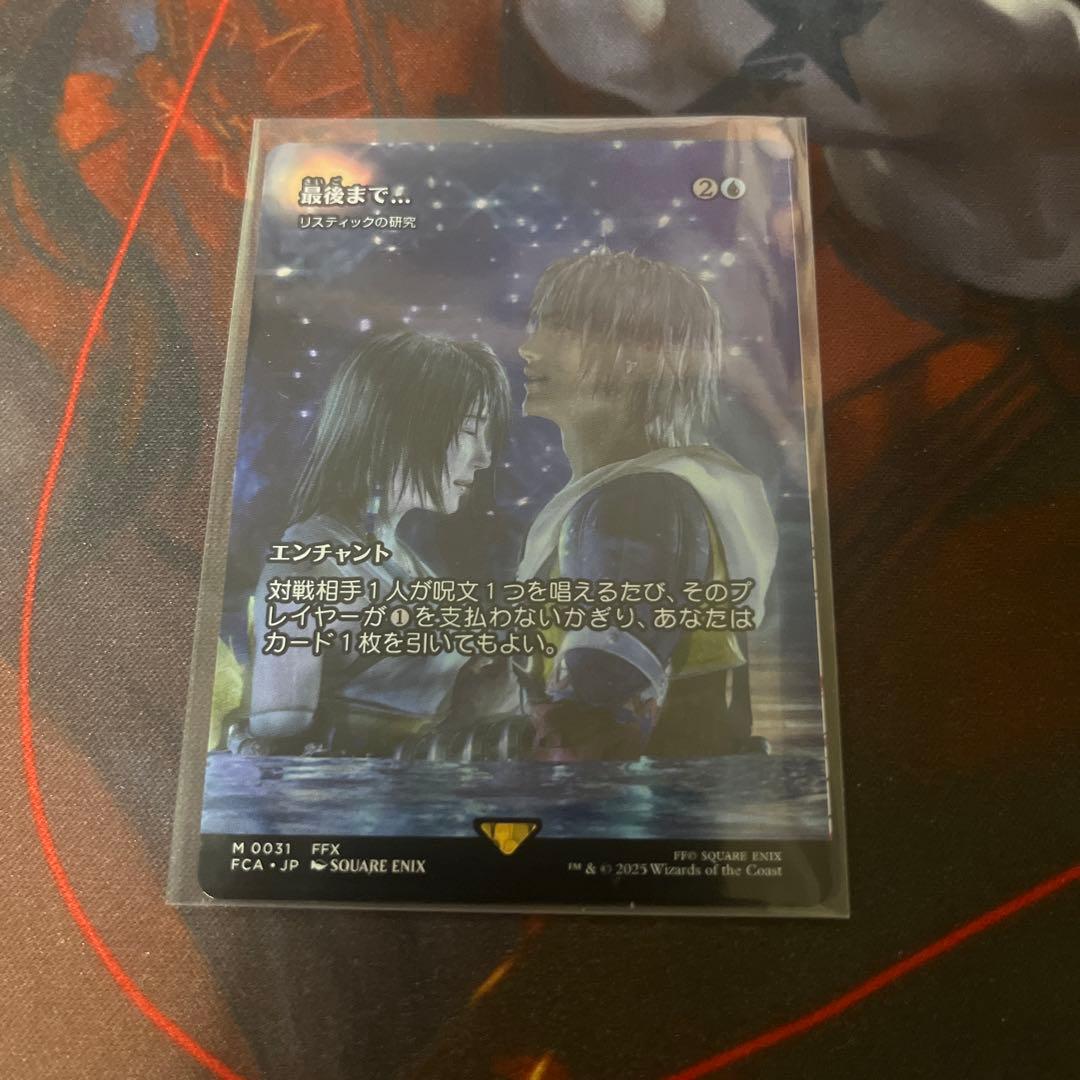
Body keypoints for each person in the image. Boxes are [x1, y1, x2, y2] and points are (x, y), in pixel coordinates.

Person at [515, 249, 778, 761]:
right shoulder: (679, 486)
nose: (528, 348)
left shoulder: (635, 501)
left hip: (621, 794)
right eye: (537, 327)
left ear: (640, 353)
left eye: (560, 329)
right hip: (664, 783)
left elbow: (599, 696)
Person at [236, 329, 511, 756]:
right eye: (469, 430)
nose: (484, 457)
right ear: (395, 429)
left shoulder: (401, 560)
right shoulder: (312, 563)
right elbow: (277, 738)